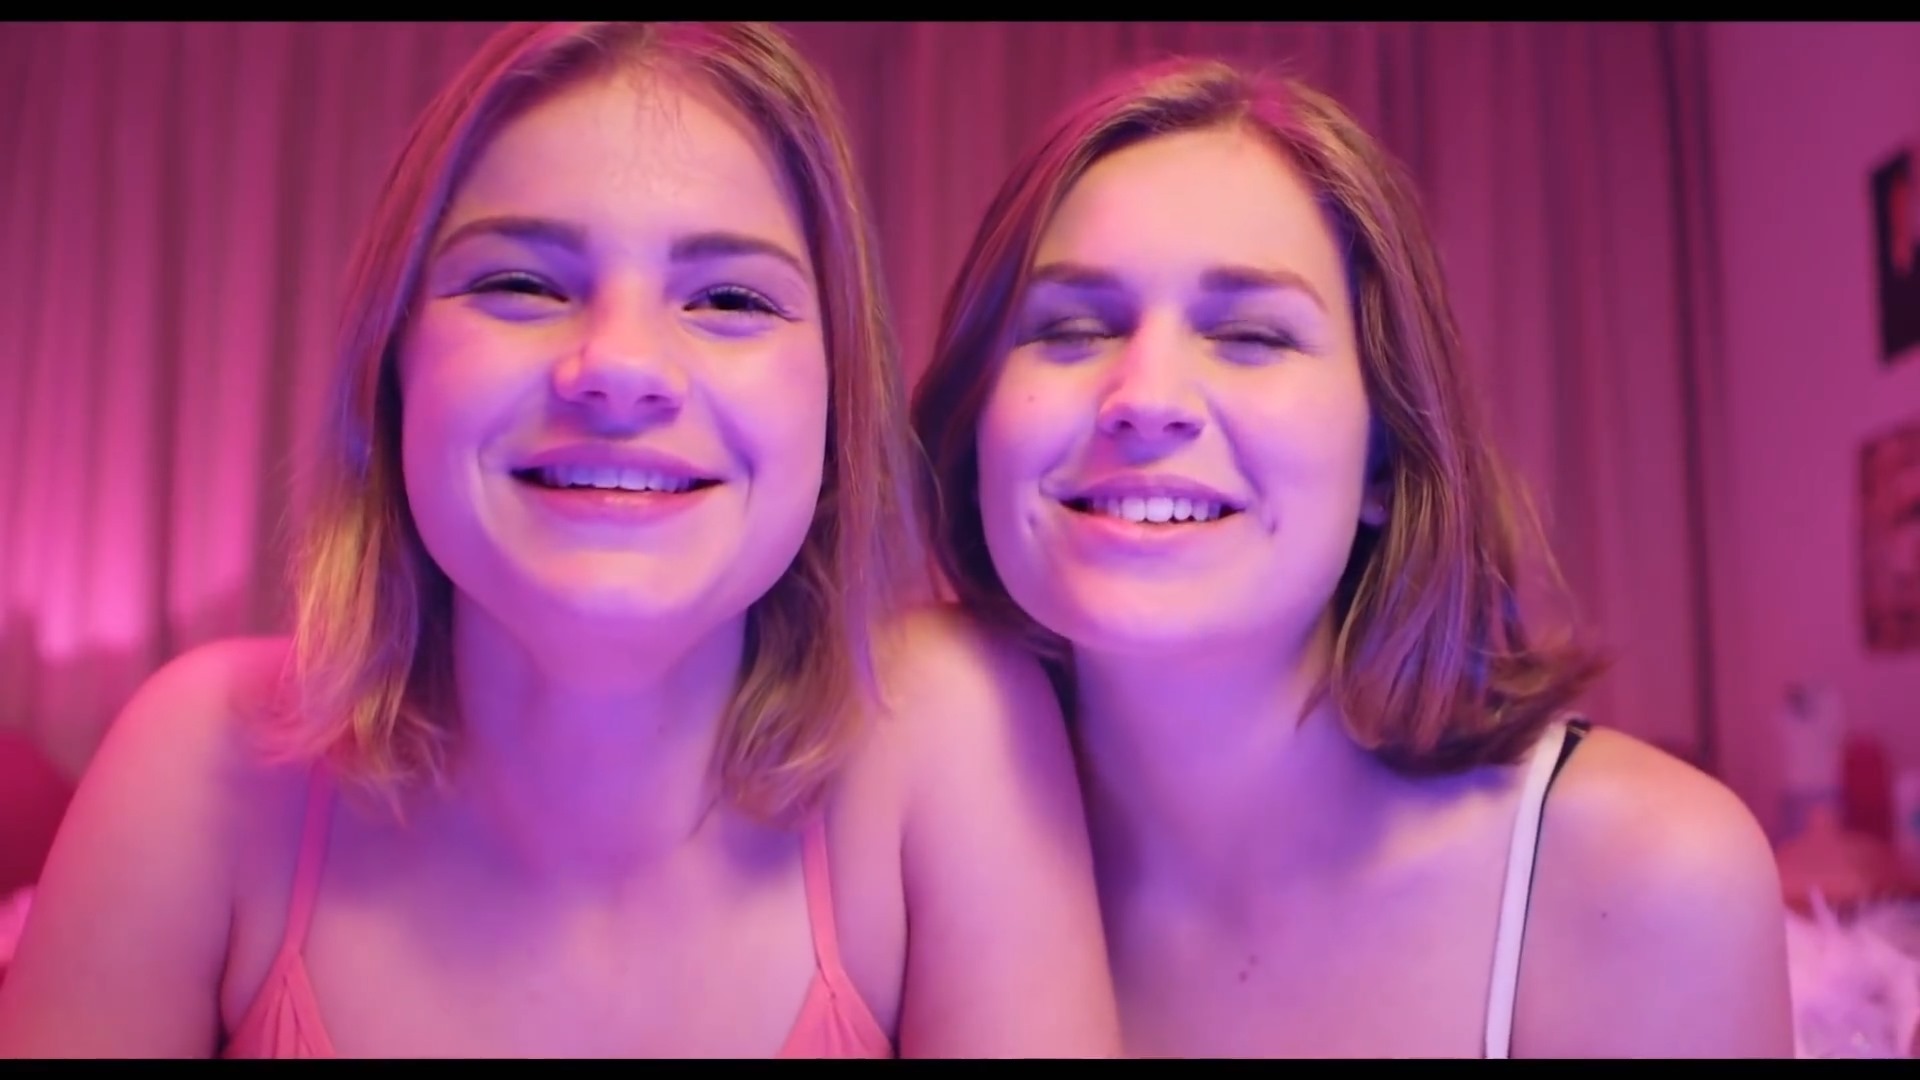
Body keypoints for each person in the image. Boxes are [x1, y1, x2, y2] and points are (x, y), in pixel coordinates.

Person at [0, 22, 1118, 1058]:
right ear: (394, 369)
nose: (620, 368)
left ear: (836, 400)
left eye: (730, 300)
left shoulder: (949, 745)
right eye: (521, 284)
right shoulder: (203, 766)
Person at [910, 56, 1794, 1058]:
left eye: (1251, 335)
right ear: (975, 432)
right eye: (1072, 329)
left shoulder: (1651, 879)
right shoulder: (895, 845)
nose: (1145, 397)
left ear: (1386, 456)